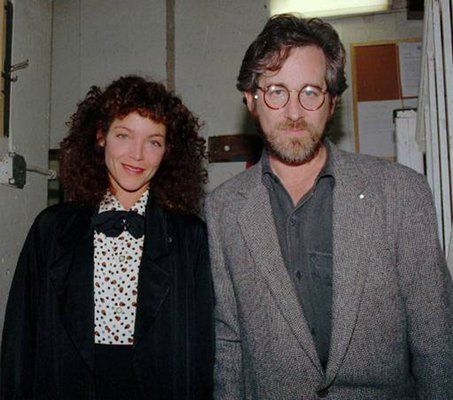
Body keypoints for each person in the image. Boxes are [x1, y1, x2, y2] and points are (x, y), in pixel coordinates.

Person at [205, 14, 453, 400]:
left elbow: (437, 342)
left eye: (310, 92)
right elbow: (229, 342)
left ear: (332, 102)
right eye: (276, 91)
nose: (293, 112)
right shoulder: (221, 210)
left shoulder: (402, 194)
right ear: (251, 100)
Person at [1, 75, 214, 400]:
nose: (137, 154)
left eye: (153, 141)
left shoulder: (189, 237)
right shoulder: (51, 229)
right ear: (101, 137)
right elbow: (19, 342)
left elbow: (200, 355)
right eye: (124, 135)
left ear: (168, 150)